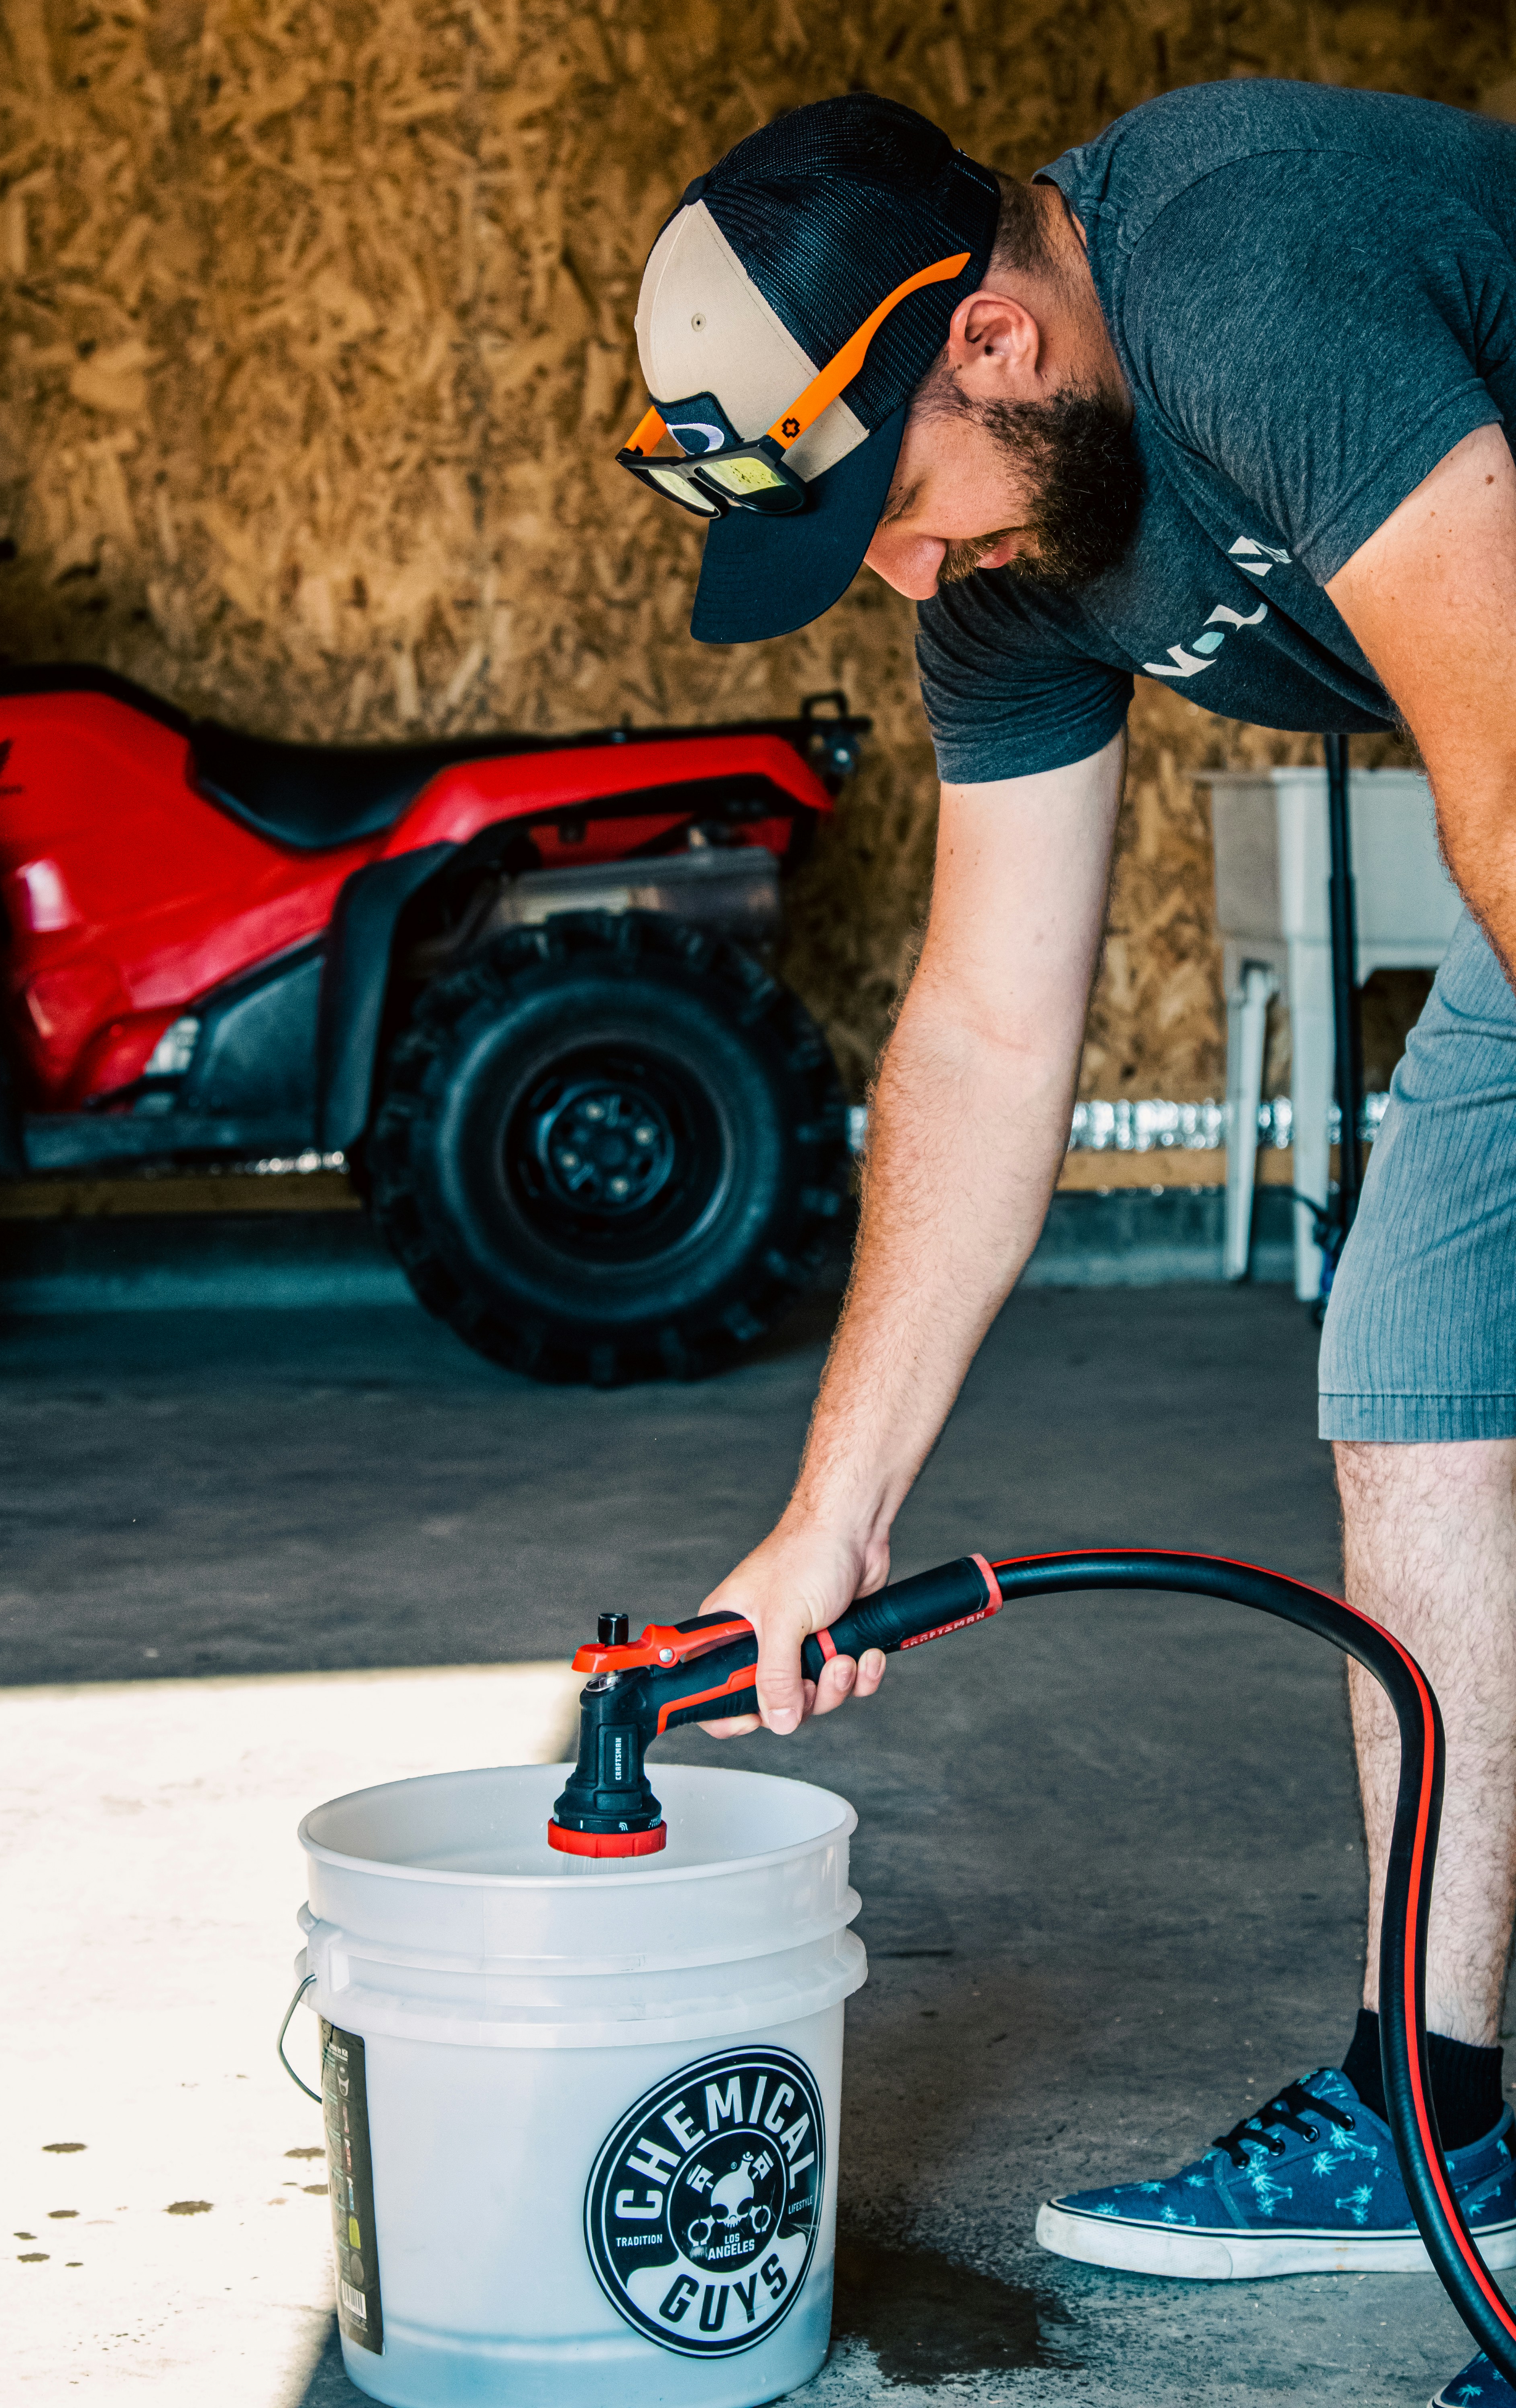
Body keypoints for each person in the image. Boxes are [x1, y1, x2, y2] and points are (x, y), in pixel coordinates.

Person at [616, 81, 1516, 2408]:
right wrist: (830, 1521)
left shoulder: (1250, 266)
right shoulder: (1014, 557)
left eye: (893, 512)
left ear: (997, 336)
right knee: (1417, 1382)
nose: (907, 578)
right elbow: (991, 1035)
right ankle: (1447, 2106)